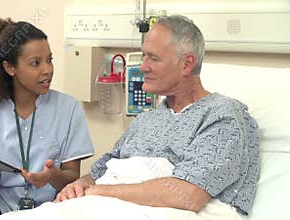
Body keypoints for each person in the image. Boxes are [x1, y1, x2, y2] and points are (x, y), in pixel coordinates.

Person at [55, 14, 259, 218]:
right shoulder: (147, 119)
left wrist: (99, 192)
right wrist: (79, 186)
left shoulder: (223, 115)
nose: (142, 66)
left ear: (186, 64)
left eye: (153, 58)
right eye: (143, 56)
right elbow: (101, 172)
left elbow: (188, 195)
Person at [0, 18, 94, 220]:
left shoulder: (69, 109)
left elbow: (71, 178)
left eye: (50, 59)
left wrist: (52, 176)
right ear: (10, 68)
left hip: (51, 203)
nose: (48, 69)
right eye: (36, 63)